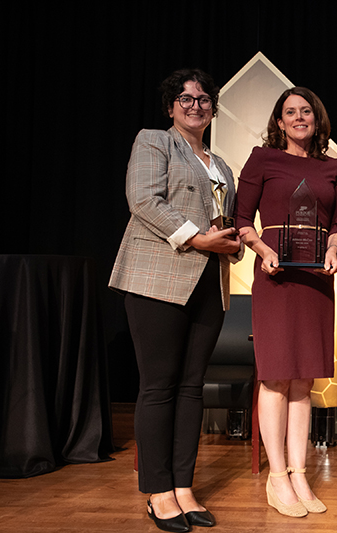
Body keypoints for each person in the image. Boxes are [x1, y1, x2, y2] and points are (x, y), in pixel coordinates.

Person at [110, 69, 244, 532]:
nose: (195, 105)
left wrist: (231, 244)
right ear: (171, 107)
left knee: (192, 388)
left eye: (204, 99)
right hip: (157, 278)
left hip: (209, 282)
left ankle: (184, 487)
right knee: (158, 387)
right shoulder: (154, 141)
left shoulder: (222, 164)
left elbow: (228, 222)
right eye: (184, 99)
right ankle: (158, 490)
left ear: (212, 108)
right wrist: (199, 239)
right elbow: (143, 200)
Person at [234, 87, 337, 518]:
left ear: (316, 120)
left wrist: (334, 250)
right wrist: (264, 252)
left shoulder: (333, 167)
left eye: (307, 112)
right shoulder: (262, 159)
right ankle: (276, 476)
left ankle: (300, 472)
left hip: (316, 279)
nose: (299, 118)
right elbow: (243, 220)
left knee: (305, 380)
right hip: (276, 277)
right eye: (290, 112)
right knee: (277, 376)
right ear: (279, 122)